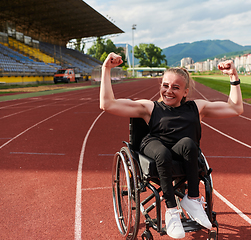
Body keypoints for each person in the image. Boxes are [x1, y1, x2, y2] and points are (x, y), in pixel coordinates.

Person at [100, 52, 243, 239]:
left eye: (176, 87)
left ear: (185, 92)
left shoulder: (197, 107)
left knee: (190, 144)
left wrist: (233, 77)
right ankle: (172, 211)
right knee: (162, 153)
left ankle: (192, 199)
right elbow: (107, 104)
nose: (168, 91)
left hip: (181, 152)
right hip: (154, 147)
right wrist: (106, 69)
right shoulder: (150, 108)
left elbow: (235, 108)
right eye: (165, 86)